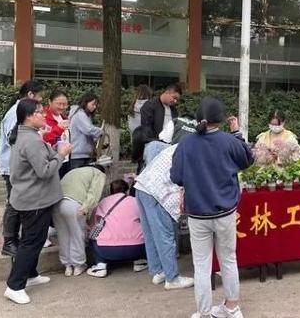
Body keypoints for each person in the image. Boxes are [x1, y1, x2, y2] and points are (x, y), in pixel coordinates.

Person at [170, 97, 254, 318]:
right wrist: (237, 133)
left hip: (197, 213)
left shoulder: (186, 144)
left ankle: (204, 313)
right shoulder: (229, 141)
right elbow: (247, 159)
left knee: (201, 265)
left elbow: (176, 177)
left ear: (199, 117)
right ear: (222, 119)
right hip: (226, 212)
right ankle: (232, 308)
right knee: (228, 260)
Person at [4, 99, 72, 305]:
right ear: (29, 116)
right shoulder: (31, 140)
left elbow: (45, 158)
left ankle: (31, 274)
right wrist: (61, 155)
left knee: (35, 238)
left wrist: (54, 151)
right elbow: (44, 171)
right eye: (40, 112)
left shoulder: (29, 135)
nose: (44, 115)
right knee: (31, 242)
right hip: (34, 200)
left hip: (32, 198)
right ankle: (14, 286)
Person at [134, 120, 198, 291]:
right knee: (165, 235)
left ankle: (159, 272)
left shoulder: (175, 147)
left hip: (142, 187)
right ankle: (172, 278)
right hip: (157, 193)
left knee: (151, 234)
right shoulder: (193, 151)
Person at [0, 80, 44, 257]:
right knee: (14, 204)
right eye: (39, 97)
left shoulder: (21, 110)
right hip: (12, 166)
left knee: (18, 202)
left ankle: (15, 240)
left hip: (18, 165)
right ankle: (9, 241)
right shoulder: (14, 113)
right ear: (30, 94)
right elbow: (14, 139)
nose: (41, 101)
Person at [52, 160, 109, 277]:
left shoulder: (73, 171)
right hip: (74, 204)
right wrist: (86, 210)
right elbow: (94, 194)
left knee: (63, 235)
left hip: (56, 204)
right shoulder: (98, 173)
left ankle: (67, 266)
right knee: (77, 235)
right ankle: (78, 265)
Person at [86, 180, 147, 278]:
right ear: (127, 190)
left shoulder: (103, 202)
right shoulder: (135, 201)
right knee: (143, 231)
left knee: (93, 235)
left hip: (106, 250)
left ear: (111, 191)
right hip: (137, 248)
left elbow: (92, 223)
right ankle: (140, 261)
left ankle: (100, 265)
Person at [69, 92, 103, 170]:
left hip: (83, 153)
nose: (94, 107)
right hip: (78, 155)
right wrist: (100, 131)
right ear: (85, 103)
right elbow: (89, 130)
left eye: (96, 105)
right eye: (93, 104)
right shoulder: (80, 114)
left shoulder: (84, 115)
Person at [42, 89, 71, 178]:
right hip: (51, 161)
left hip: (65, 159)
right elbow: (45, 138)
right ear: (50, 102)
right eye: (59, 104)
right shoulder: (43, 118)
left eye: (64, 104)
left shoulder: (63, 117)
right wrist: (59, 128)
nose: (62, 107)